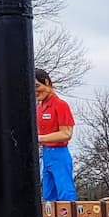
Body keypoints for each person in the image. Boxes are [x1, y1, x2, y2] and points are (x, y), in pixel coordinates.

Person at [35, 68, 77, 203]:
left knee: (65, 192)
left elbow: (66, 133)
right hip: (46, 154)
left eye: (37, 86)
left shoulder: (60, 105)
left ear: (47, 82)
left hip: (59, 153)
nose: (35, 91)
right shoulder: (39, 108)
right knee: (48, 194)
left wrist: (39, 139)